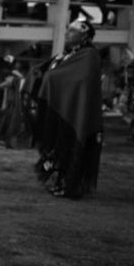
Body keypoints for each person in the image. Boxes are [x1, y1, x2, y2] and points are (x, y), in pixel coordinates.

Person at [34, 20, 102, 198]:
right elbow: (47, 70)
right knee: (59, 146)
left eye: (72, 31)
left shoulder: (89, 55)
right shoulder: (66, 54)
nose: (66, 33)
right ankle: (60, 182)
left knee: (73, 146)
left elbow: (81, 80)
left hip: (77, 110)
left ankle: (71, 186)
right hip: (63, 108)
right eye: (67, 30)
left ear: (84, 35)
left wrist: (52, 78)